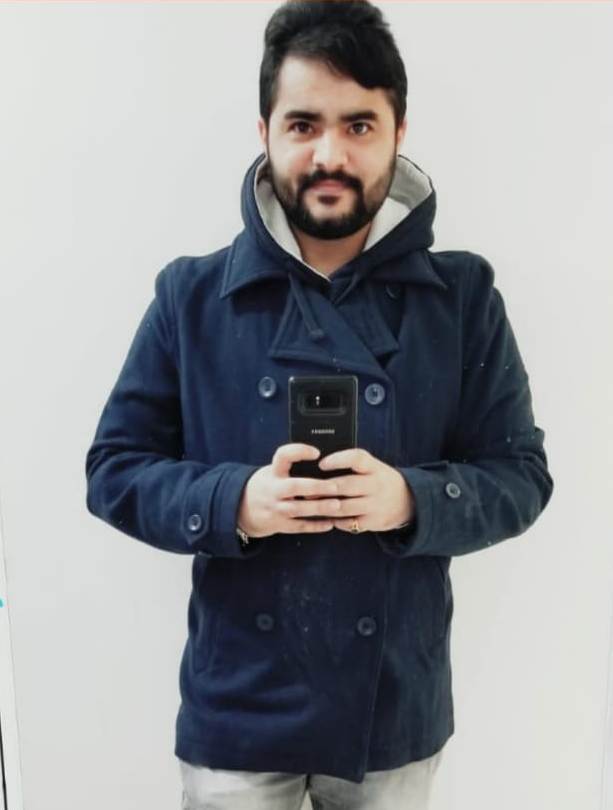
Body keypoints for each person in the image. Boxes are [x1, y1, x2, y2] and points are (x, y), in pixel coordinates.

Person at [84, 1, 554, 808]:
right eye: (302, 124)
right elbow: (113, 470)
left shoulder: (461, 297)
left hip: (391, 713)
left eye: (358, 125)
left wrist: (410, 500)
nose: (329, 155)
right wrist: (234, 502)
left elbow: (521, 476)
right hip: (239, 709)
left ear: (397, 132)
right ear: (263, 132)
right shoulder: (191, 296)